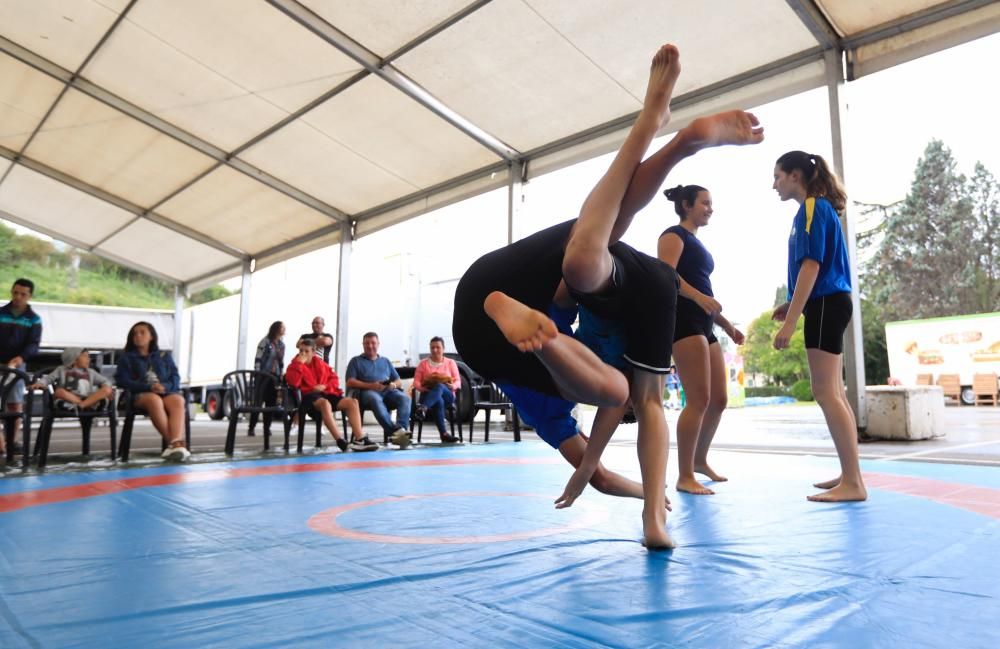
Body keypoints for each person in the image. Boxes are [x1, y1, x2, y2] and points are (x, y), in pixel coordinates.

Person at [453, 44, 763, 548]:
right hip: (491, 312)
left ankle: (663, 130)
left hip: (510, 302)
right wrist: (632, 489)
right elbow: (615, 424)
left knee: (588, 263)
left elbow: (611, 424)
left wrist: (629, 488)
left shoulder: (572, 374)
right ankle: (670, 135)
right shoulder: (555, 397)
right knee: (591, 269)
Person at [771, 150, 867, 502]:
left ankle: (854, 483)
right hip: (826, 301)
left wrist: (791, 323)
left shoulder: (812, 208)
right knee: (835, 392)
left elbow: (812, 266)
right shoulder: (814, 209)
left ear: (796, 175)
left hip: (826, 303)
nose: (775, 184)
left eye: (778, 176)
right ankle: (849, 473)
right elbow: (814, 269)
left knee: (826, 391)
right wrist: (792, 303)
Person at [658, 184, 745, 494]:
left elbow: (704, 292)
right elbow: (666, 275)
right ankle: (684, 476)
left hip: (705, 324)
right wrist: (699, 299)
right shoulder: (673, 235)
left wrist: (726, 325)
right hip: (684, 322)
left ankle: (699, 460)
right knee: (697, 400)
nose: (710, 208)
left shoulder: (696, 242)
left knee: (718, 400)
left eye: (711, 203)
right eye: (705, 203)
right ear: (687, 204)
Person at [285, 338, 378, 452]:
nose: (303, 354)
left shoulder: (321, 364)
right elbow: (293, 383)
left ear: (314, 353)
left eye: (306, 351)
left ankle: (359, 438)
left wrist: (324, 387)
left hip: (326, 392)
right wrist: (299, 364)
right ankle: (340, 441)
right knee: (325, 404)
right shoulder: (294, 365)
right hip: (308, 397)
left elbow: (334, 379)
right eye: (301, 351)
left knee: (353, 402)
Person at [115, 321, 190, 462]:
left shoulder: (164, 356)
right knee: (154, 400)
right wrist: (148, 387)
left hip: (164, 392)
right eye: (135, 333)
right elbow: (123, 381)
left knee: (178, 400)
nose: (138, 336)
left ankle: (173, 446)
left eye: (142, 332)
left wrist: (165, 387)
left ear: (152, 337)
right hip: (139, 395)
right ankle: (176, 444)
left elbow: (175, 376)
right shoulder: (126, 358)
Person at [345, 332, 412, 448]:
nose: (370, 346)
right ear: (363, 345)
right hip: (366, 393)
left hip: (387, 391)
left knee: (405, 398)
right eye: (367, 343)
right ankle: (396, 433)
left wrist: (392, 385)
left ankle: (401, 430)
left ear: (378, 344)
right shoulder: (356, 361)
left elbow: (398, 381)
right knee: (375, 398)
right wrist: (371, 385)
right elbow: (350, 381)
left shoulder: (385, 361)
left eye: (373, 343)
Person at [0, 278, 42, 456]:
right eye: (15, 292)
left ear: (29, 296)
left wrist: (21, 358)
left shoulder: (34, 319)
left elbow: (33, 344)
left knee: (14, 404)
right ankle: (1, 441)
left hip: (17, 366)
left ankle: (13, 440)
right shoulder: (1, 313)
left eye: (23, 294)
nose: (18, 297)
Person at [31, 348, 114, 411]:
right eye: (85, 357)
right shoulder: (61, 370)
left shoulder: (90, 372)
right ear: (74, 359)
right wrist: (40, 383)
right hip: (70, 398)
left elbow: (106, 381)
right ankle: (84, 405)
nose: (89, 359)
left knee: (107, 389)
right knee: (59, 391)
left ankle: (83, 405)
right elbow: (48, 378)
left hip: (87, 397)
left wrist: (104, 385)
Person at [412, 337, 461, 444]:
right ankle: (444, 434)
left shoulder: (450, 363)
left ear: (443, 349)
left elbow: (458, 381)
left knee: (439, 386)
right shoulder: (423, 364)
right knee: (438, 401)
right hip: (427, 393)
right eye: (432, 347)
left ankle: (423, 409)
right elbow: (416, 382)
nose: (435, 350)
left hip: (447, 394)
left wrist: (453, 386)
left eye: (438, 347)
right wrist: (422, 388)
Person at [250, 320, 286, 437]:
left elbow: (281, 362)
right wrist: (258, 373)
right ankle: (252, 427)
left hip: (274, 377)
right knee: (258, 403)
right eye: (282, 327)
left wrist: (281, 374)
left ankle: (267, 428)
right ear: (276, 329)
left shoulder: (282, 345)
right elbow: (258, 358)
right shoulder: (265, 342)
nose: (284, 329)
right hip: (263, 376)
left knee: (271, 403)